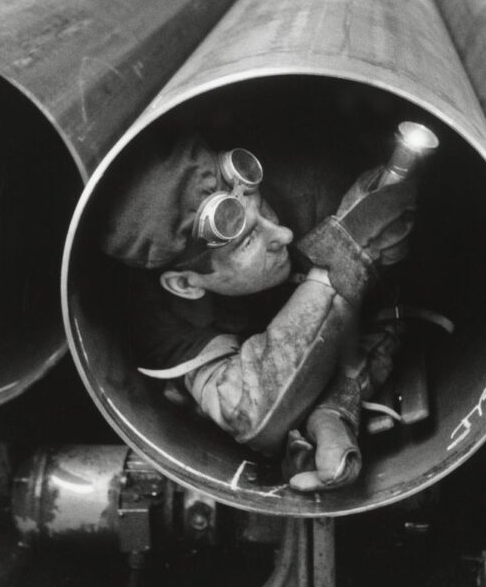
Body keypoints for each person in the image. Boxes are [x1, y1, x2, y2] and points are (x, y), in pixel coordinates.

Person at [99, 133, 419, 493]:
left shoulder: (316, 186)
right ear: (187, 285)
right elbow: (251, 415)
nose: (282, 233)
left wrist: (341, 401)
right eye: (248, 241)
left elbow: (391, 305)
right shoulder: (160, 318)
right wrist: (344, 258)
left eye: (262, 206)